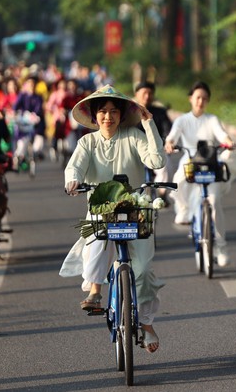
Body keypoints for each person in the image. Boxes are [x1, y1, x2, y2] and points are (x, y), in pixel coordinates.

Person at [62, 84, 165, 354]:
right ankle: (95, 291)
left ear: (121, 115)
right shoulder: (87, 142)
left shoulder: (133, 136)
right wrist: (73, 180)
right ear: (95, 116)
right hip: (101, 210)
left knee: (142, 270)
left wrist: (149, 124)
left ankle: (146, 324)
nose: (108, 117)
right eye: (103, 112)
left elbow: (156, 161)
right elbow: (75, 165)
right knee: (95, 242)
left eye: (114, 111)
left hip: (135, 210)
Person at [164, 81, 234, 267]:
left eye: (204, 98)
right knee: (178, 182)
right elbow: (172, 137)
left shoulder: (212, 119)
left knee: (214, 202)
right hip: (190, 161)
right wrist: (170, 144)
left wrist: (228, 142)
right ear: (191, 99)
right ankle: (185, 209)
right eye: (197, 98)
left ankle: (221, 247)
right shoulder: (182, 120)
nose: (200, 101)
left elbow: (222, 135)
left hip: (210, 162)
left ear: (208, 100)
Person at [134, 81, 173, 203]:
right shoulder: (129, 112)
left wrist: (168, 142)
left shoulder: (160, 112)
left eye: (150, 93)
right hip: (135, 152)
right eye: (144, 93)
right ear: (136, 94)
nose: (147, 96)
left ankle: (162, 194)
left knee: (165, 166)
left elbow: (168, 131)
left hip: (156, 150)